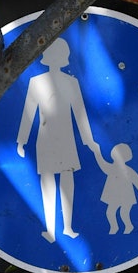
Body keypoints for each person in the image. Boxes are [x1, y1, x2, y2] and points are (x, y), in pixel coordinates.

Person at [16, 38, 102, 243]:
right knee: (49, 184)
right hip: (45, 140)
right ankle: (51, 229)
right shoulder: (36, 82)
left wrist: (89, 140)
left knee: (65, 183)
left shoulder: (71, 83)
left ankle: (67, 227)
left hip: (65, 139)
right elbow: (29, 113)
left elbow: (80, 115)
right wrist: (21, 140)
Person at [99, 142, 138, 235]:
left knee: (124, 213)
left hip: (126, 197)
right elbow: (102, 165)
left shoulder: (128, 170)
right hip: (114, 196)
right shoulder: (111, 168)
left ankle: (129, 226)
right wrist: (97, 151)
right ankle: (114, 227)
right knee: (110, 212)